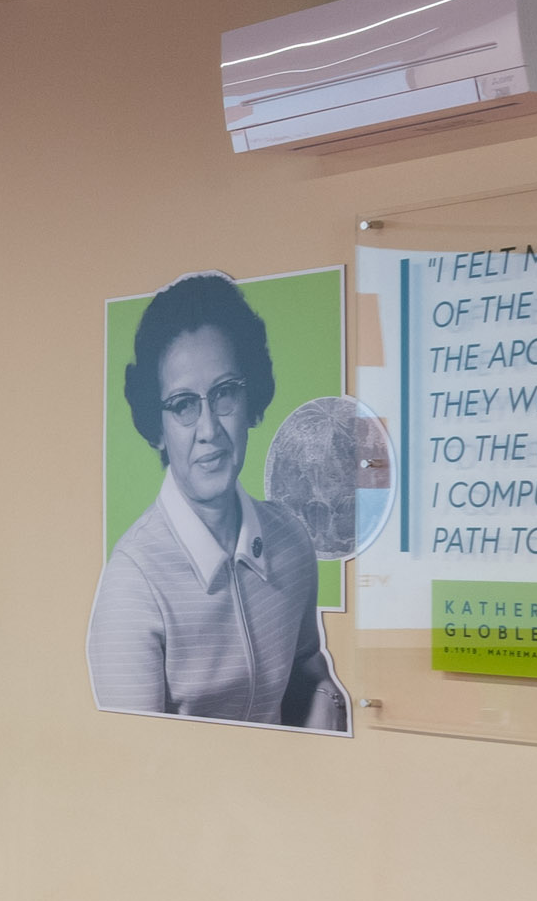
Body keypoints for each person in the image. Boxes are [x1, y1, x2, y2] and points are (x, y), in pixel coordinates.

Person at [90, 272, 349, 730]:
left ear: (250, 401)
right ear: (158, 426)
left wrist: (324, 698)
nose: (209, 429)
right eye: (184, 404)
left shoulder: (292, 541)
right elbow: (129, 771)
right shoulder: (132, 585)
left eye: (225, 393)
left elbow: (309, 670)